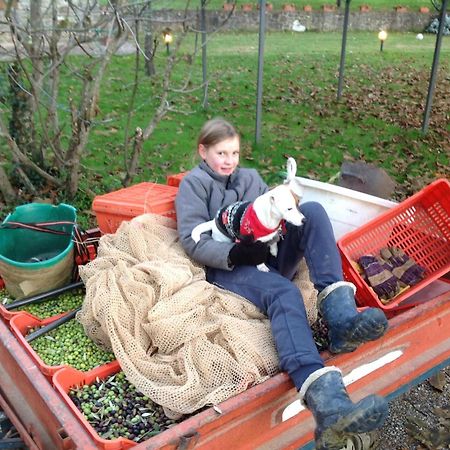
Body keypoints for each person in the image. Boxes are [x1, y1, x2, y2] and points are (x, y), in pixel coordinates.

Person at [175, 117, 389, 450]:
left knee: (315, 211)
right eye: (220, 153)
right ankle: (328, 406)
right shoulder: (193, 185)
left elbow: (275, 215)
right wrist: (236, 253)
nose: (228, 160)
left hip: (267, 253)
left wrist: (280, 228)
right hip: (229, 266)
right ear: (203, 152)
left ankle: (341, 318)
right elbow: (191, 239)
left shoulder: (250, 178)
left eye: (233, 152)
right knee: (285, 292)